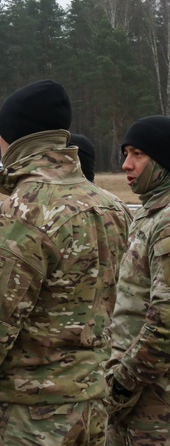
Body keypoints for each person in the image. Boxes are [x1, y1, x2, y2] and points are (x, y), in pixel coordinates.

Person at [0, 80, 130, 445]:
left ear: (14, 139)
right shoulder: (111, 206)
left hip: (28, 416)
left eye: (0, 136)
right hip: (92, 404)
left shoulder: (21, 213)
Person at [106, 115, 170, 445]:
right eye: (125, 153)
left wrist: (121, 382)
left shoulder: (167, 220)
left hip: (154, 401)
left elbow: (165, 322)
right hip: (135, 396)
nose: (126, 165)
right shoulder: (148, 213)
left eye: (138, 154)